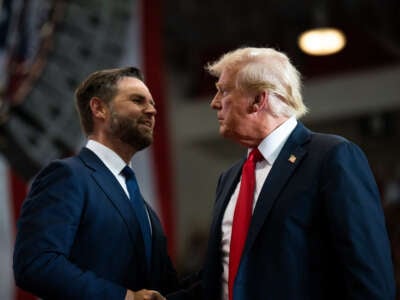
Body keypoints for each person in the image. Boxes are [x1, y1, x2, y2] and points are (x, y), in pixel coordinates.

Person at [201, 47, 395, 300]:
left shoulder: (332, 158)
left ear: (258, 100)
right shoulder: (229, 178)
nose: (214, 102)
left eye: (224, 90)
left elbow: (370, 280)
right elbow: (223, 278)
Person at [13, 67, 175, 300]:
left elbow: (164, 288)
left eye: (152, 103)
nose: (152, 110)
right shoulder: (67, 176)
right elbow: (37, 263)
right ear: (99, 108)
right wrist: (125, 297)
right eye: (138, 100)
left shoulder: (144, 208)